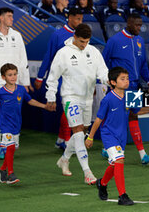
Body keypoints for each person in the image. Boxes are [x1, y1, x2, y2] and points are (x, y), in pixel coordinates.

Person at [45, 24, 108, 185]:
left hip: (88, 98)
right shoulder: (63, 53)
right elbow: (52, 77)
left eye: (86, 41)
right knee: (78, 132)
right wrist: (50, 96)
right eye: (81, 41)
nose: (84, 45)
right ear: (74, 36)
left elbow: (102, 71)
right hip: (70, 97)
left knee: (83, 131)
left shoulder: (93, 51)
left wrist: (108, 81)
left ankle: (65, 159)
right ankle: (87, 172)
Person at [85, 67, 149, 205]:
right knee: (120, 160)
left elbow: (136, 113)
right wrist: (90, 137)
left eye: (127, 78)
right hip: (109, 135)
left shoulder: (130, 96)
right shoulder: (108, 99)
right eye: (122, 79)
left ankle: (102, 183)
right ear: (113, 82)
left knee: (114, 163)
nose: (126, 81)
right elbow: (98, 119)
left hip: (121, 136)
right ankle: (122, 195)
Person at [102, 13, 149, 165]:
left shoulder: (139, 40)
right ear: (129, 23)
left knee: (132, 115)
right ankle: (112, 148)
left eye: (141, 25)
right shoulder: (114, 40)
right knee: (120, 118)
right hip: (119, 88)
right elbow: (103, 62)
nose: (140, 28)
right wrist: (110, 83)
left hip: (135, 86)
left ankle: (141, 154)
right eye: (137, 25)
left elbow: (143, 64)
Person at [0, 63, 50, 184]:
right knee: (9, 147)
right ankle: (11, 174)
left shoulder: (20, 89)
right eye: (10, 75)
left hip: (16, 124)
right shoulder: (0, 92)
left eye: (15, 74)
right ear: (3, 77)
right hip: (5, 125)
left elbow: (30, 101)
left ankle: (3, 169)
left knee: (12, 149)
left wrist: (44, 106)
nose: (13, 77)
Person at [0, 7, 31, 159]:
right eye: (9, 16)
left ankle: (8, 144)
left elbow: (23, 60)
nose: (12, 19)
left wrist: (25, 82)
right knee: (1, 113)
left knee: (11, 113)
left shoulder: (17, 35)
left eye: (12, 16)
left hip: (15, 83)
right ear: (1, 18)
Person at [34, 7, 83, 150]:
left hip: (77, 78)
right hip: (61, 77)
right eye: (77, 19)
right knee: (69, 107)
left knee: (70, 109)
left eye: (81, 19)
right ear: (70, 18)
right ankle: (67, 141)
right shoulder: (58, 35)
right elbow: (48, 56)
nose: (80, 22)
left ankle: (60, 139)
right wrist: (39, 77)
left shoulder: (81, 36)